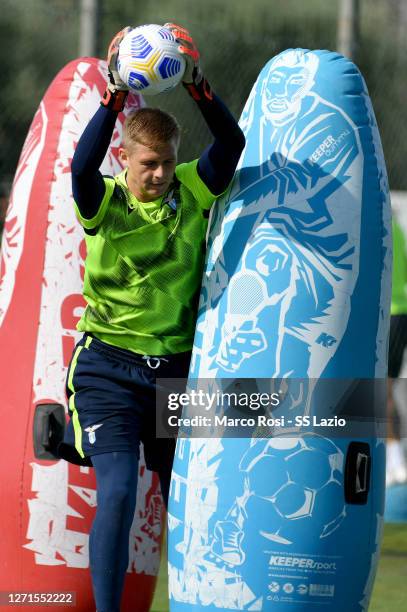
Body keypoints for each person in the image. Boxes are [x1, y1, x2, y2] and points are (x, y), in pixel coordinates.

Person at [56, 23, 245, 612]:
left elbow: (231, 145)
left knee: (188, 497)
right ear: (127, 160)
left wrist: (197, 86)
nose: (159, 175)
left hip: (174, 377)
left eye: (166, 162)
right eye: (147, 165)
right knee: (117, 493)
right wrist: (113, 93)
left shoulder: (190, 190)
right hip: (107, 371)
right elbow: (80, 169)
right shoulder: (105, 201)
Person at [387, 217, 407, 485]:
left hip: (389, 311)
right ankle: (396, 457)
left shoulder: (367, 214)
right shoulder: (392, 221)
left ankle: (395, 461)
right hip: (400, 311)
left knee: (380, 390)